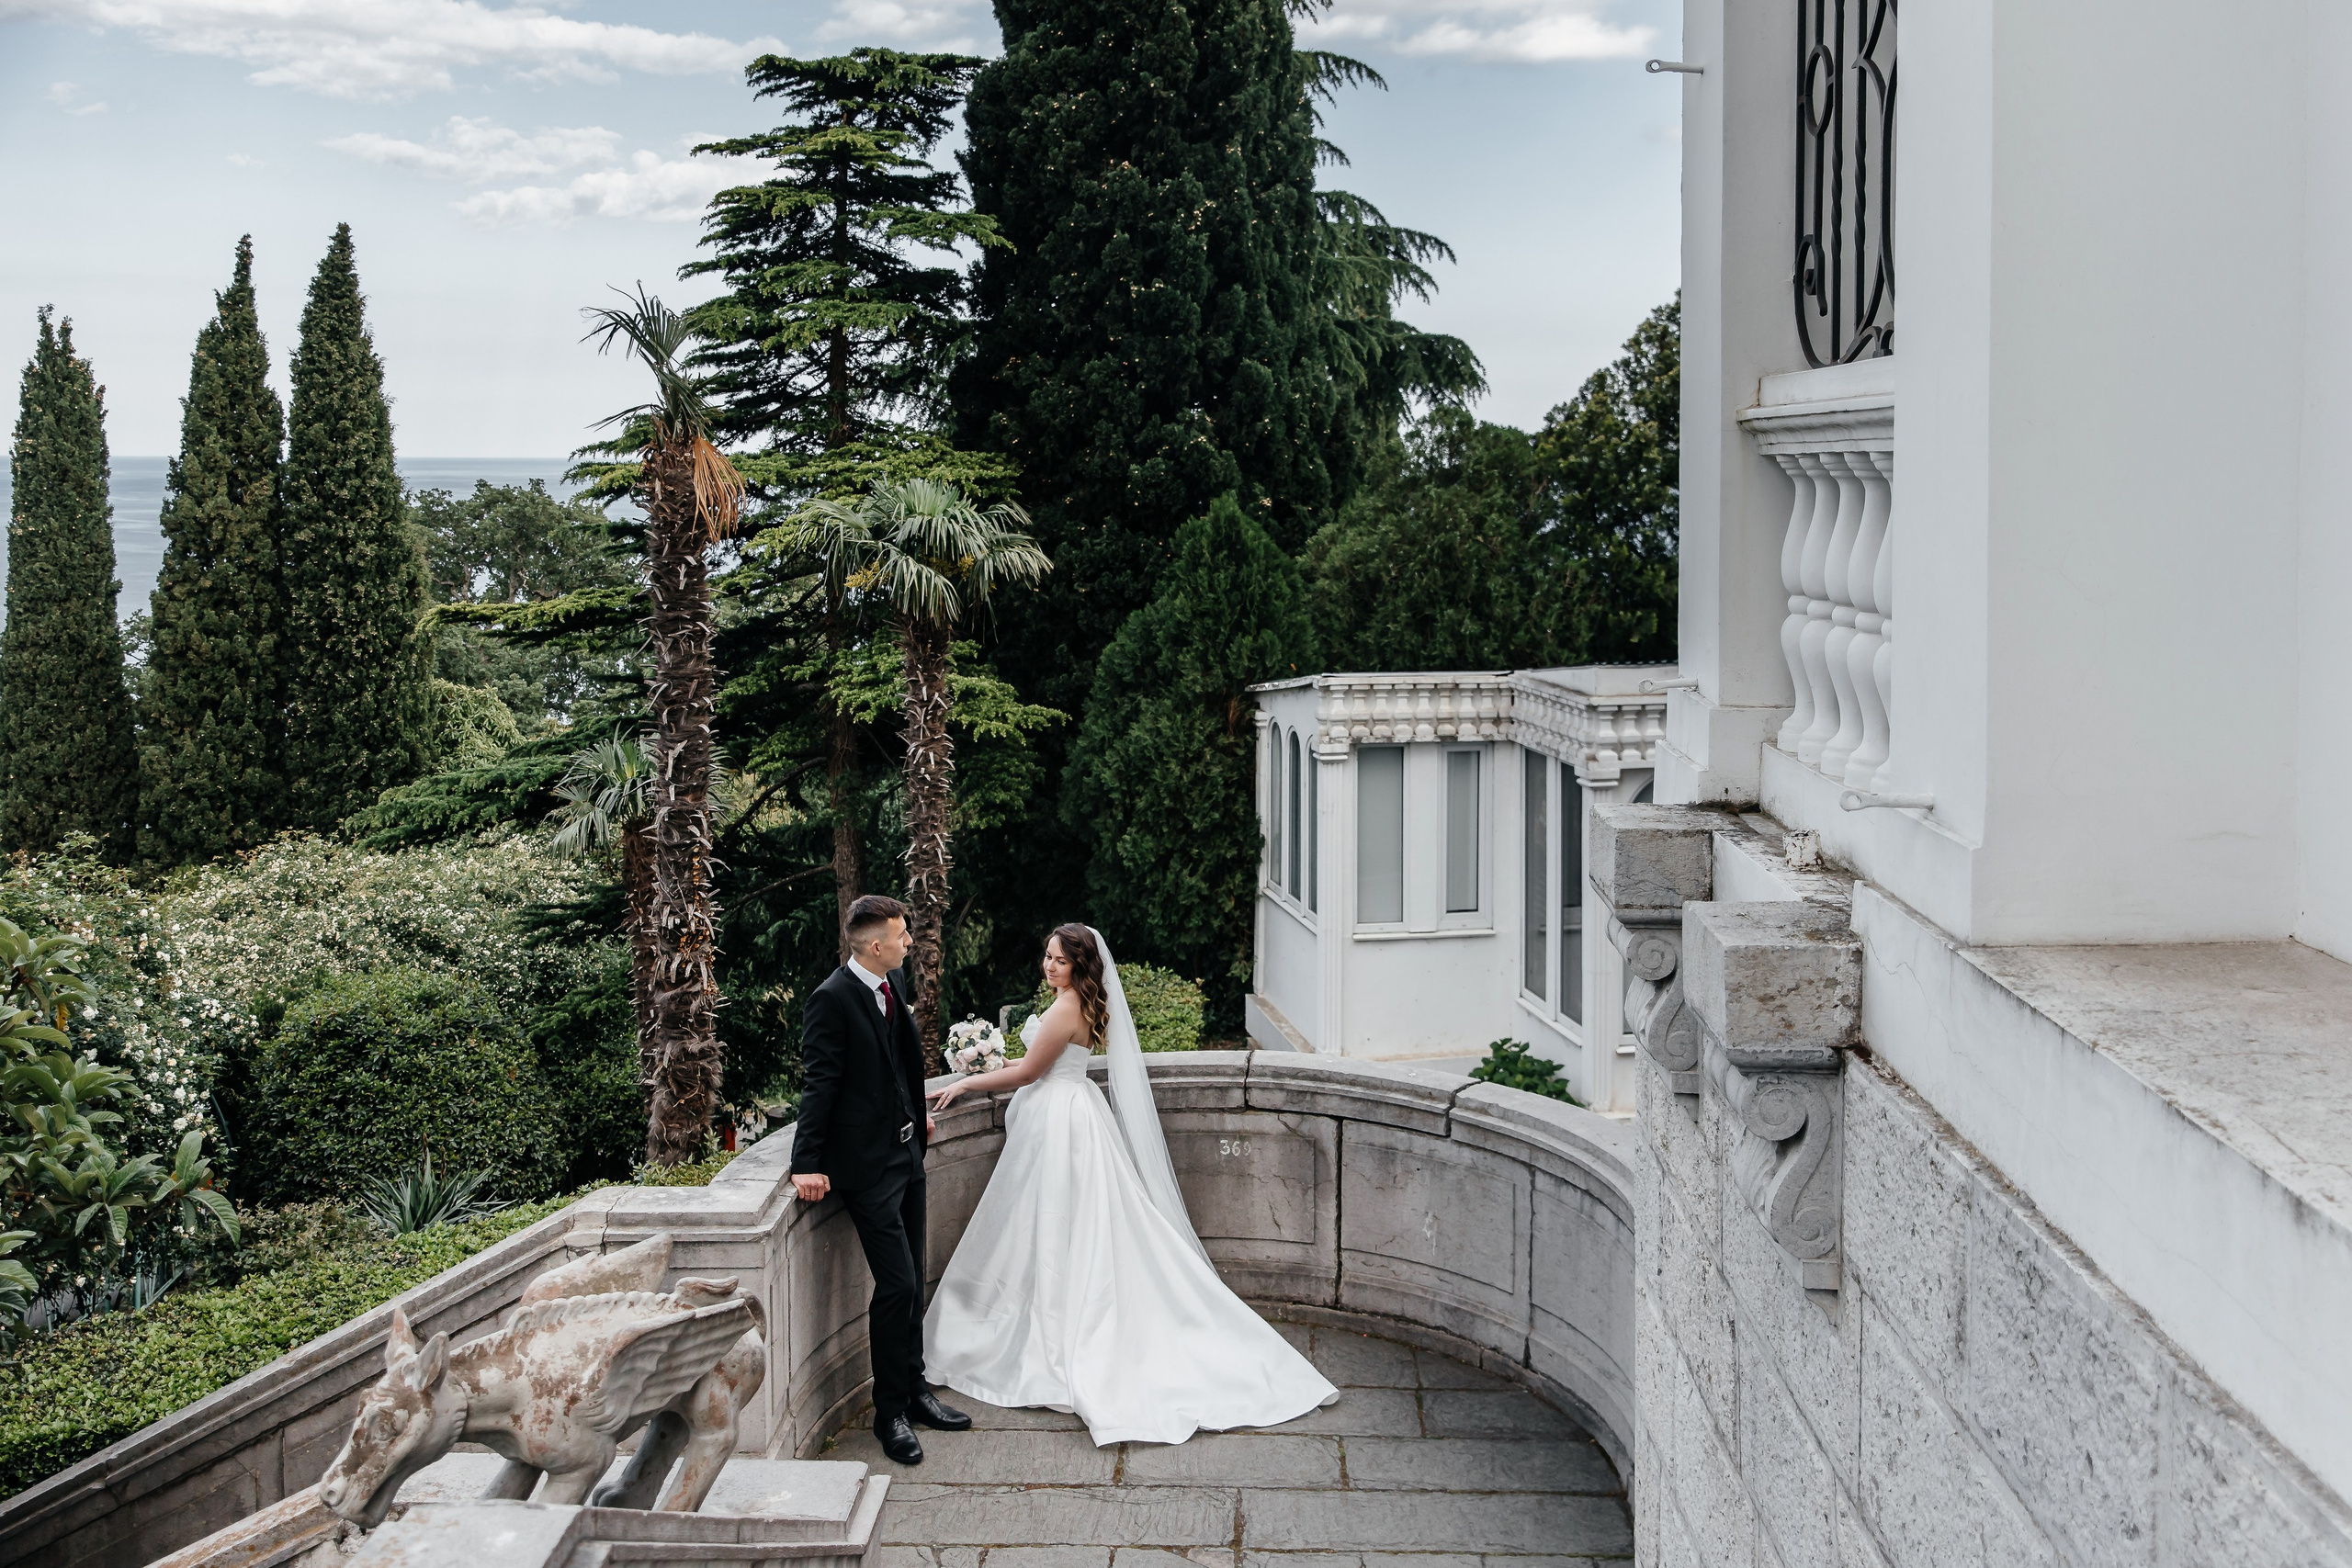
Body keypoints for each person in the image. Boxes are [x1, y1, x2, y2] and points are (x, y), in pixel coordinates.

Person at [922, 923, 1338, 1446]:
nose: (1049, 967)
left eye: (1059, 960)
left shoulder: (1066, 1007)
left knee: (1053, 1221)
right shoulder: (1081, 1003)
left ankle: (1053, 1325)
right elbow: (1039, 1063)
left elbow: (1029, 1074)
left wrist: (965, 1080)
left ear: (1079, 966)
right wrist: (986, 1060)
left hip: (1059, 1122)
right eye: (1046, 957)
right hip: (1072, 1111)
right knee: (1071, 1221)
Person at [790, 894, 970, 1465]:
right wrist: (805, 1162)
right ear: (875, 945)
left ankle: (915, 1390)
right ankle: (888, 1412)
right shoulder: (832, 1000)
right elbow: (820, 1084)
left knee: (913, 1279)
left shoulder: (889, 989)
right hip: (864, 1170)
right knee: (895, 1284)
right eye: (901, 935)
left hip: (906, 1156)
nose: (909, 942)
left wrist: (918, 1120)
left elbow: (898, 1069)